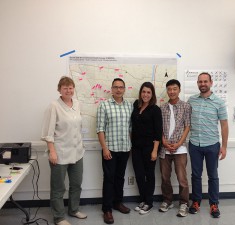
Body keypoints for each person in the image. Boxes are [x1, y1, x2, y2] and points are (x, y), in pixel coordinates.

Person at [41, 76, 87, 225]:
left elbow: (77, 128)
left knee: (76, 185)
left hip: (77, 153)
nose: (68, 90)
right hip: (59, 153)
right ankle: (59, 217)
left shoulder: (78, 104)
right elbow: (48, 133)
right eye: (65, 88)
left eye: (71, 87)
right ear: (59, 90)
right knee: (58, 188)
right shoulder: (54, 106)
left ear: (74, 89)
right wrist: (52, 152)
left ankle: (73, 210)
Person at [187, 72, 229, 218]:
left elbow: (224, 126)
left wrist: (224, 147)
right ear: (197, 83)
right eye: (200, 82)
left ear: (211, 83)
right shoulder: (191, 100)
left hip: (212, 145)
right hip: (194, 145)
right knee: (196, 175)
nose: (202, 84)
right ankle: (196, 201)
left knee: (213, 176)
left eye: (205, 81)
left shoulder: (219, 102)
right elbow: (186, 122)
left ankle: (214, 204)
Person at [96, 78, 133, 224]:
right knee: (109, 179)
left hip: (124, 149)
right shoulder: (104, 106)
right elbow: (100, 129)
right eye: (116, 87)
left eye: (121, 87)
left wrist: (130, 145)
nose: (118, 89)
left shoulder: (129, 106)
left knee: (120, 178)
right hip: (110, 149)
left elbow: (130, 128)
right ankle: (107, 209)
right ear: (111, 89)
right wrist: (104, 148)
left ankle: (118, 203)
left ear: (124, 89)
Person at [158, 79, 191, 217]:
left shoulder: (186, 106)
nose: (172, 91)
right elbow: (159, 128)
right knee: (165, 177)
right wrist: (164, 141)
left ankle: (184, 203)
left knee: (181, 177)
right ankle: (168, 200)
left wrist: (179, 143)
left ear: (179, 90)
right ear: (167, 91)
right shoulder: (162, 108)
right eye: (169, 89)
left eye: (174, 89)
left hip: (180, 149)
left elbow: (187, 126)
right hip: (164, 148)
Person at [131, 82, 162, 215]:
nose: (145, 94)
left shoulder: (155, 109)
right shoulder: (135, 106)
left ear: (152, 94)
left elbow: (158, 132)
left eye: (148, 92)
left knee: (149, 175)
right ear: (140, 93)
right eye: (144, 91)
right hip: (136, 147)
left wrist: (155, 150)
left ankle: (149, 202)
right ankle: (142, 200)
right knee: (139, 175)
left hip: (150, 147)